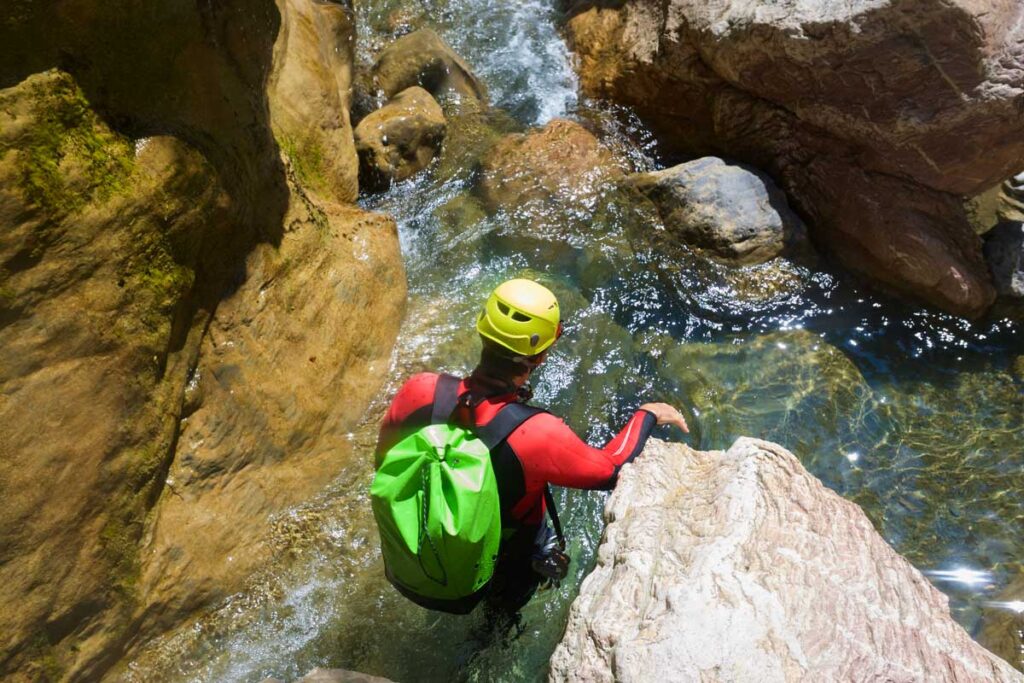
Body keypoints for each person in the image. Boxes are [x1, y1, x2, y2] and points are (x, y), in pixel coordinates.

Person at [374, 278, 688, 614]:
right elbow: (610, 468)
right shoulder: (536, 433)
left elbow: (385, 461)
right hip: (506, 558)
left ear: (482, 328)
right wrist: (648, 414)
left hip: (414, 552)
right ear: (539, 357)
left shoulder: (419, 391)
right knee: (507, 607)